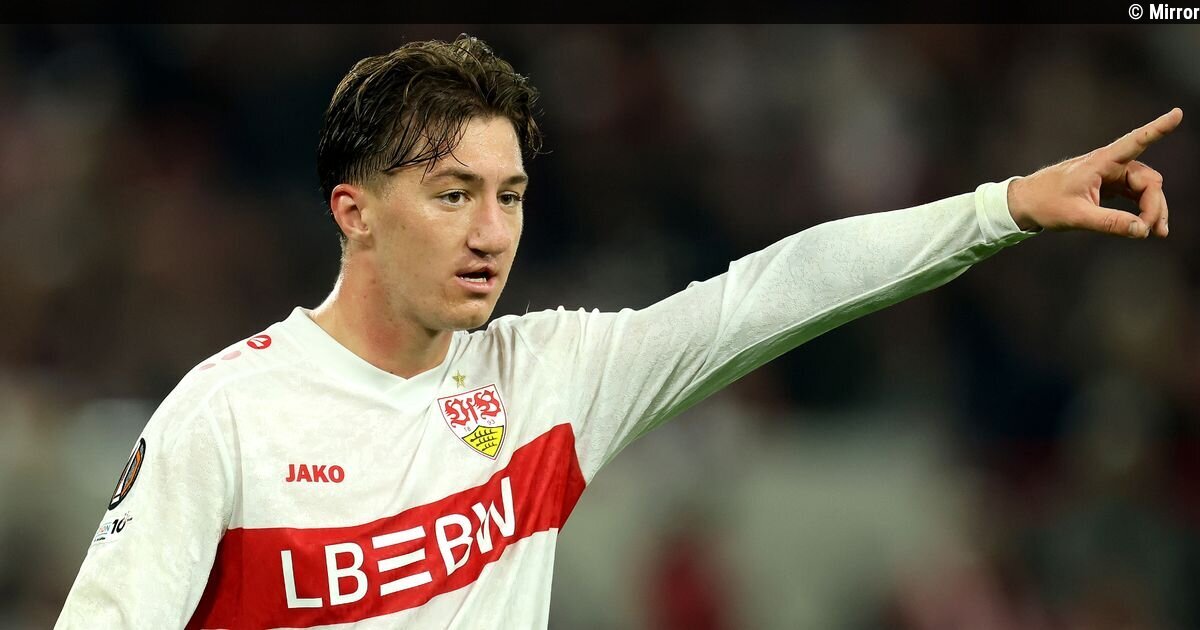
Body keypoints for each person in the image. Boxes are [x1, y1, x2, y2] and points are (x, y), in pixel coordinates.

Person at [54, 34, 1181, 629]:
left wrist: (1001, 209)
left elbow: (775, 291)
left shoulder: (549, 377)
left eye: (510, 196)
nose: (491, 232)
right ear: (354, 211)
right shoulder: (228, 416)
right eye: (452, 195)